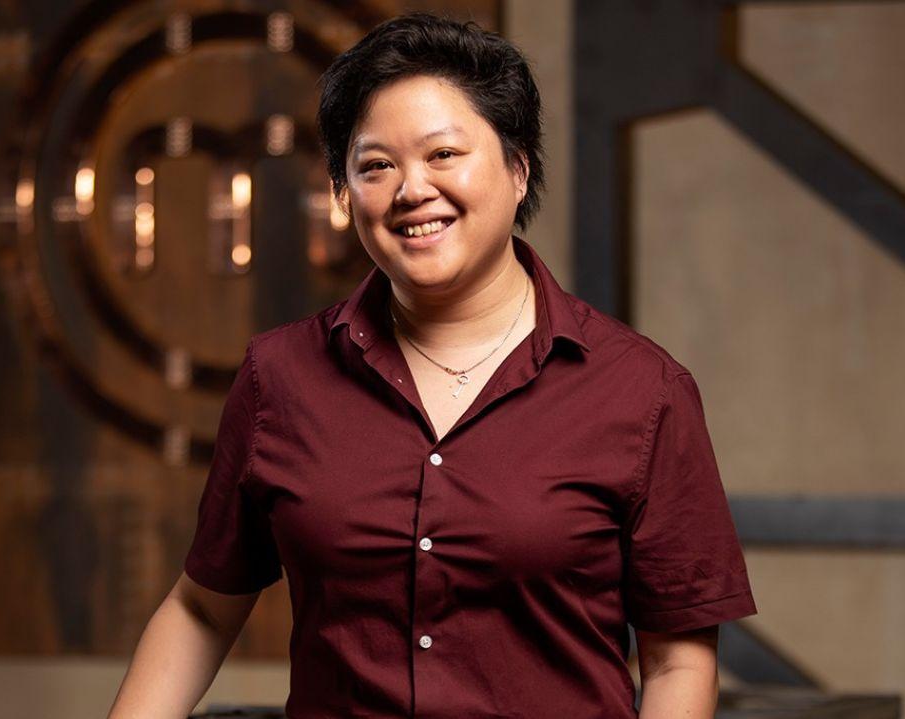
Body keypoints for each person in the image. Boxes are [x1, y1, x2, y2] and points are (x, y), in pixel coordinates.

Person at [108, 12, 757, 719]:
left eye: (443, 155)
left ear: (518, 169)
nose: (411, 189)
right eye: (376, 165)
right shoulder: (280, 376)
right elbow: (202, 609)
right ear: (342, 192)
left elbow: (678, 660)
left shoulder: (642, 392)